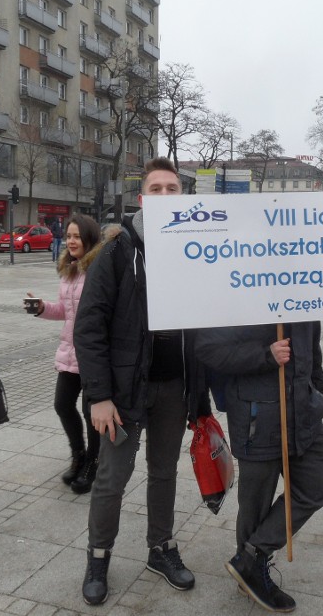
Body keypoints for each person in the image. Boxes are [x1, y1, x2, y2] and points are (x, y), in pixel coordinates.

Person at [73, 157, 210, 606]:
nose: (166, 196)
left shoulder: (196, 248)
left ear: (182, 196)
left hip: (174, 386)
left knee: (164, 472)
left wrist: (200, 394)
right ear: (142, 198)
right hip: (124, 393)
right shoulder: (115, 252)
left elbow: (206, 324)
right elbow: (88, 328)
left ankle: (160, 548)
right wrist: (99, 397)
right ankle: (98, 557)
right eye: (157, 189)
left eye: (173, 189)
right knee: (112, 478)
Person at [196, 322, 323, 613]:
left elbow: (312, 349)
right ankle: (252, 576)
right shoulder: (237, 290)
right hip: (257, 414)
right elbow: (207, 348)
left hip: (304, 412)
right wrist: (265, 355)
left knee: (314, 488)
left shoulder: (305, 286)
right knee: (255, 502)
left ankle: (250, 557)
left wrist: (318, 394)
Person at [27, 215, 103, 494]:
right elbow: (64, 311)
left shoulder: (98, 269)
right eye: (68, 236)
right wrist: (41, 307)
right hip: (70, 350)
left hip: (93, 353)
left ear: (89, 239)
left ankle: (93, 464)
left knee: (90, 411)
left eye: (77, 236)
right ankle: (79, 454)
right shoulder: (70, 269)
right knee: (62, 404)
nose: (71, 241)